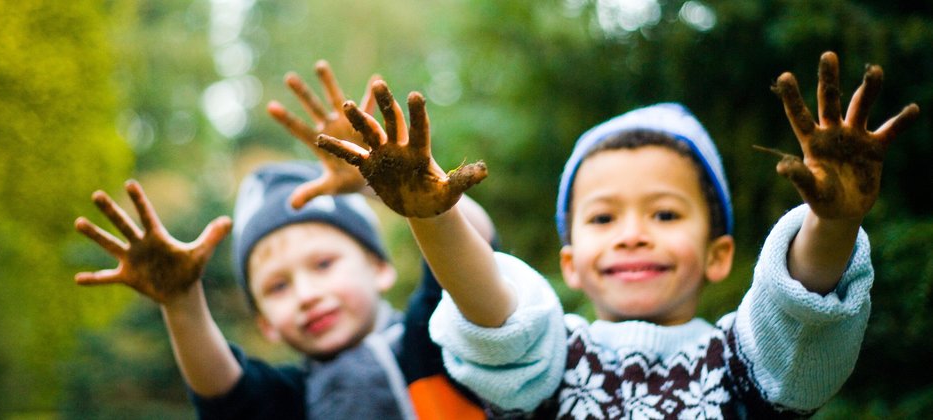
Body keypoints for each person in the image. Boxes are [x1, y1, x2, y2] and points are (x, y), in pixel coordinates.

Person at [314, 51, 920, 418]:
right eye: (604, 218)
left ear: (719, 256)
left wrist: (834, 221)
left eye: (664, 215)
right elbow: (495, 315)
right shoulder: (551, 363)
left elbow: (803, 317)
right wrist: (433, 215)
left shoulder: (747, 366)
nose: (632, 235)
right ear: (570, 263)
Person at [73, 61, 490, 419]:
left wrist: (396, 194)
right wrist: (181, 304)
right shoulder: (290, 399)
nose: (306, 294)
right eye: (277, 287)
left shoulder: (432, 336)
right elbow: (224, 393)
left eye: (324, 264)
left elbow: (479, 255)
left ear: (380, 268)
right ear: (264, 324)